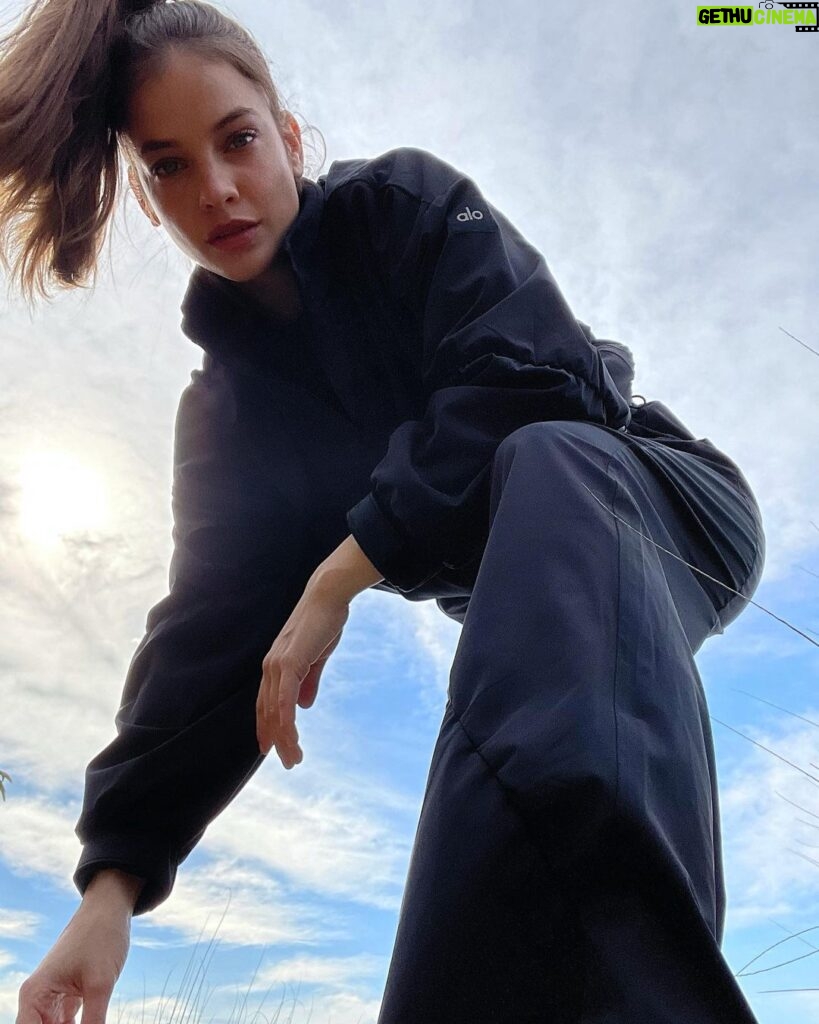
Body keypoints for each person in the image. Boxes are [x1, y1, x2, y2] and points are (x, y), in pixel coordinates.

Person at [1, 2, 766, 1022]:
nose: (217, 188)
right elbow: (209, 635)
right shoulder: (228, 415)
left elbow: (537, 377)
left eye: (237, 140)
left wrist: (340, 571)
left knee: (549, 458)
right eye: (171, 166)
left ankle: (630, 995)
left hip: (658, 499)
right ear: (146, 198)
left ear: (290, 137)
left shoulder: (400, 206)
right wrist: (112, 892)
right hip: (545, 595)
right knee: (517, 664)